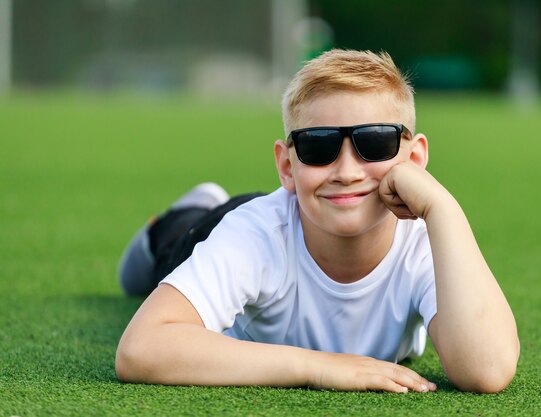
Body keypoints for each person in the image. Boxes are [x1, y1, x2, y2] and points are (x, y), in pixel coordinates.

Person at [115, 49, 519, 394]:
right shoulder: (254, 236)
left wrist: (442, 207)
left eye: (375, 141)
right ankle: (187, 212)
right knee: (161, 257)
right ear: (286, 166)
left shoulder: (427, 240)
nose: (346, 170)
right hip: (216, 228)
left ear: (413, 158)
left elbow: (487, 369)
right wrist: (318, 366)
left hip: (303, 209)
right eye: (317, 145)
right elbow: (141, 348)